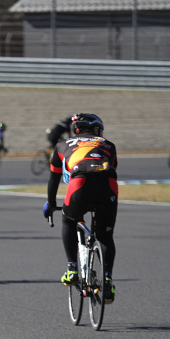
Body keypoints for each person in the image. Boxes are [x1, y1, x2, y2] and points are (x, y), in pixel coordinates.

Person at [43, 113, 117, 303]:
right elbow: (111, 168)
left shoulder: (61, 145)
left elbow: (54, 179)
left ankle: (72, 268)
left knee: (68, 220)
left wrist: (51, 204)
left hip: (79, 185)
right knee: (105, 235)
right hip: (108, 187)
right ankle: (107, 279)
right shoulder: (109, 144)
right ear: (94, 129)